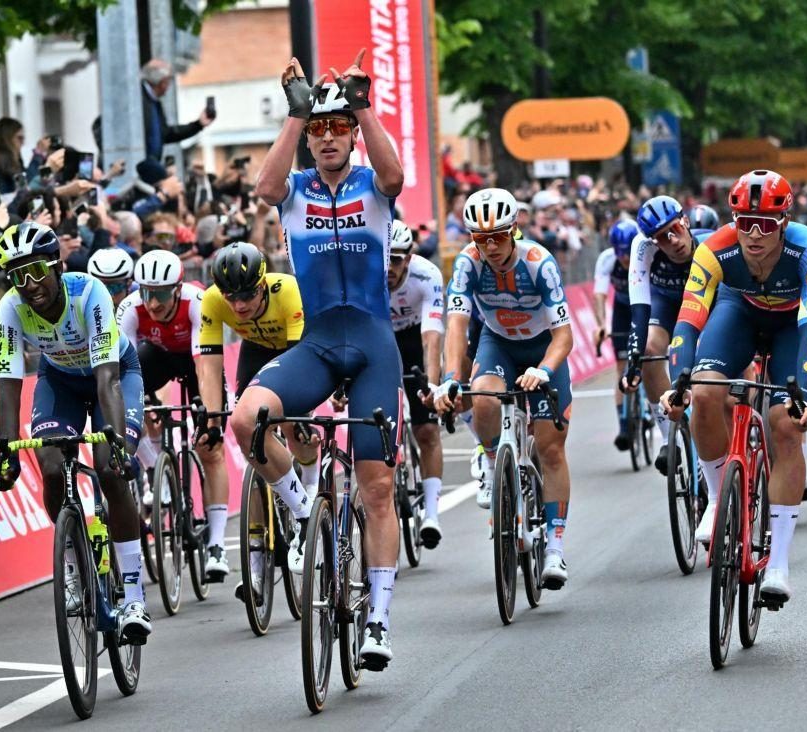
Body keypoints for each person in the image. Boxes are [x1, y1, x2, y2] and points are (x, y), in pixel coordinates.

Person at [230, 50, 404, 669]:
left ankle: (378, 619)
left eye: (338, 128)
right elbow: (265, 187)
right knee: (246, 418)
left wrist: (360, 104)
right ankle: (306, 517)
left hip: (375, 344)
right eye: (319, 130)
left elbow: (395, 176)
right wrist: (294, 115)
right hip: (321, 342)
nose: (328, 138)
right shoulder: (296, 191)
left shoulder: (370, 185)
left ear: (351, 135)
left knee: (376, 485)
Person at [662, 170, 807, 605]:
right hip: (739, 312)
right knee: (703, 393)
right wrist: (677, 380)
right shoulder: (715, 247)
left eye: (767, 224)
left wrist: (806, 396)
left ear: (785, 221)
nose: (754, 234)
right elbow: (688, 318)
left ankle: (778, 562)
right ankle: (717, 500)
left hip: (792, 325)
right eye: (744, 221)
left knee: (785, 425)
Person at [0, 221, 150, 643]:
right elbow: (7, 385)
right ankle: (75, 566)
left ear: (57, 267)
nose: (29, 285)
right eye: (17, 276)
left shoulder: (89, 292)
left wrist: (115, 442)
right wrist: (5, 449)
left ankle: (133, 595)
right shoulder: (9, 308)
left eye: (37, 271)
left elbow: (108, 382)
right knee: (53, 467)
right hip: (59, 381)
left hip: (112, 376)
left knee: (111, 470)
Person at [434, 188, 574, 590]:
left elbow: (564, 336)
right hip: (499, 344)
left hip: (542, 346)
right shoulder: (467, 264)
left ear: (514, 230)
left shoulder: (539, 263)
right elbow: (457, 326)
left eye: (498, 236)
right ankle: (494, 463)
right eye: (481, 238)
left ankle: (555, 548)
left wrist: (545, 371)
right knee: (482, 395)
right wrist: (449, 378)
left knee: (550, 449)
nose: (490, 246)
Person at [195, 242, 318, 603]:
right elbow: (210, 363)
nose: (238, 305)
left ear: (263, 285)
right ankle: (257, 568)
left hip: (296, 350)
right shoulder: (212, 301)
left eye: (247, 295)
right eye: (231, 296)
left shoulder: (288, 290)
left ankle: (309, 492)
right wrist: (212, 420)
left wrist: (304, 414)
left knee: (297, 428)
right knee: (251, 445)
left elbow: (301, 365)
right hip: (256, 352)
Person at [116, 249, 232, 582]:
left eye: (162, 294)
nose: (153, 303)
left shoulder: (197, 301)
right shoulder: (131, 308)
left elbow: (205, 366)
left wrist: (210, 420)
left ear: (178, 289)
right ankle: (157, 468)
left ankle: (216, 545)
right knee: (125, 411)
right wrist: (141, 406)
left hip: (199, 362)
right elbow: (124, 369)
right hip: (159, 358)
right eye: (147, 293)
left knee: (211, 448)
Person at [624, 195, 712, 474]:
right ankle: (667, 436)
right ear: (652, 241)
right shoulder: (642, 248)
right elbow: (639, 308)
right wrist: (633, 360)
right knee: (650, 349)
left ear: (685, 221)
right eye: (662, 237)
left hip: (701, 302)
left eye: (675, 229)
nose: (672, 240)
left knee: (704, 357)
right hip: (664, 302)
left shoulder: (709, 242)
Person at [386, 219, 445, 547]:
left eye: (396, 259)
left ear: (409, 258)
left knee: (426, 430)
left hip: (414, 340)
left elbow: (432, 338)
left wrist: (432, 386)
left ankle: (432, 514)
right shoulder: (368, 273)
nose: (389, 267)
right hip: (381, 338)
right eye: (385, 258)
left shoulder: (427, 276)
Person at [593, 219, 637, 450]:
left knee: (647, 361)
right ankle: (623, 424)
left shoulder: (645, 254)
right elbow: (599, 295)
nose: (626, 259)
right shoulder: (607, 259)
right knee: (621, 367)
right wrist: (601, 324)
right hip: (622, 308)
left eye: (628, 253)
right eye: (621, 254)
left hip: (645, 306)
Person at [139, 59, 214, 177]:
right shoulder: (137, 99)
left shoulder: (154, 102)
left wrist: (198, 125)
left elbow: (166, 134)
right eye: (168, 80)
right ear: (162, 82)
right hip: (138, 170)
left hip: (151, 170)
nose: (169, 85)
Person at [0, 118, 27, 194]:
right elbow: (24, 191)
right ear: (7, 140)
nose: (23, 143)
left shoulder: (15, 162)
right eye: (19, 138)